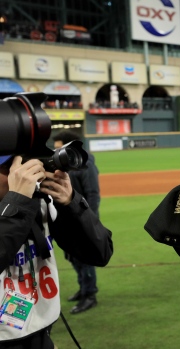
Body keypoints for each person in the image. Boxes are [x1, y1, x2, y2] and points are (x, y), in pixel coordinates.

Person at [0, 154, 113, 348]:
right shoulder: (23, 204)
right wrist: (15, 204)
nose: (24, 174)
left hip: (41, 332)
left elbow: (100, 252)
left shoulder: (40, 204)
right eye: (11, 167)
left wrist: (72, 202)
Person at [52, 130, 101, 314]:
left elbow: (93, 195)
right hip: (65, 220)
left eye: (59, 148)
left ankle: (90, 295)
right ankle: (83, 289)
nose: (55, 152)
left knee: (85, 258)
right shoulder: (64, 165)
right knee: (73, 257)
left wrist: (87, 221)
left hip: (81, 220)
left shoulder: (86, 164)